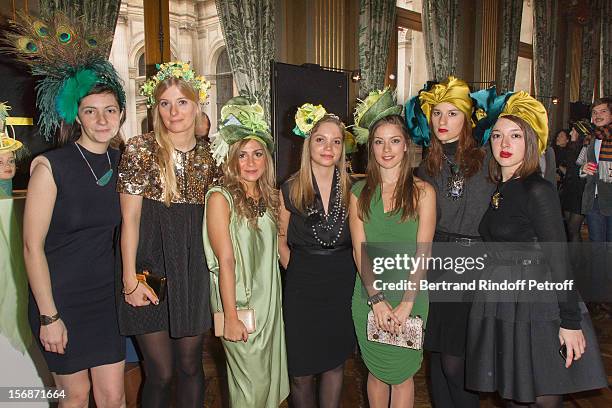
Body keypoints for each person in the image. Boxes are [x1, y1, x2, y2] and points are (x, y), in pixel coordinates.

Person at [11, 13, 127, 407]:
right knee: (74, 397)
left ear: (121, 114)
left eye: (110, 110)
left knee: (114, 396)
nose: (101, 119)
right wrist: (48, 316)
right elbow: (31, 248)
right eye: (91, 110)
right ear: (77, 114)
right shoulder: (50, 166)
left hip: (105, 300)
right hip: (60, 300)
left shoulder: (124, 163)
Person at [466, 91, 608, 407]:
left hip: (537, 301)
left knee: (540, 395)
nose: (504, 143)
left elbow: (559, 257)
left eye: (515, 135)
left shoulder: (537, 189)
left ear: (530, 142)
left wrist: (570, 322)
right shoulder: (504, 186)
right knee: (516, 394)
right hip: (507, 296)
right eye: (499, 135)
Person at [117, 61, 216, 408]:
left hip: (193, 272)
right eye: (165, 103)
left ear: (197, 105)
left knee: (190, 367)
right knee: (160, 372)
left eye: (182, 102)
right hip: (149, 272)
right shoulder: (140, 149)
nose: (174, 111)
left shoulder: (212, 155)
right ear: (155, 108)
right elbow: (129, 221)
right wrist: (130, 279)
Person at [405, 76, 495, 408]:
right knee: (438, 362)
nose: (443, 121)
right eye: (437, 113)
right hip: (435, 267)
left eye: (452, 113)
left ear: (467, 118)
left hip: (473, 269)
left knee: (457, 364)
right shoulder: (426, 168)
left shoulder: (489, 161)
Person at [350, 88, 436, 407]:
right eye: (379, 141)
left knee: (401, 377)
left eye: (394, 140)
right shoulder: (358, 192)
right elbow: (360, 251)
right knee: (375, 373)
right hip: (369, 297)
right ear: (371, 147)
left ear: (405, 146)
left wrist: (405, 303)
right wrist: (377, 301)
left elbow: (423, 252)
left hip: (410, 297)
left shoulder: (423, 192)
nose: (387, 149)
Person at [203, 97, 289, 407]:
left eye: (257, 154)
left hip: (269, 306)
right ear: (231, 159)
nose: (251, 162)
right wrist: (230, 316)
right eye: (243, 155)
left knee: (266, 383)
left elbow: (280, 250)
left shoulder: (272, 197)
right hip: (238, 304)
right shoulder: (220, 198)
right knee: (249, 387)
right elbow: (225, 261)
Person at [279, 103, 356, 408]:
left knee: (335, 365)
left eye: (336, 141)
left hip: (341, 283)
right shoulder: (288, 189)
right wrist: (294, 267)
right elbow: (280, 239)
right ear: (308, 143)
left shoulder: (355, 189)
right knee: (300, 373)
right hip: (302, 285)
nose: (328, 147)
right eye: (320, 139)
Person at [576, 97, 612, 311]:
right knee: (597, 248)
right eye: (595, 112)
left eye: (602, 112)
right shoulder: (590, 139)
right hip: (594, 199)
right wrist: (584, 171)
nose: (597, 115)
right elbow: (581, 167)